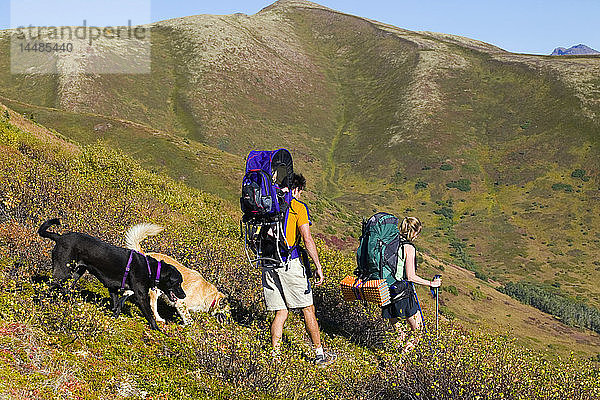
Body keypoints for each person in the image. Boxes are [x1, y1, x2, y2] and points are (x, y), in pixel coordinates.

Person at [261, 173, 336, 367]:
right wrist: (318, 266)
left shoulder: (269, 203)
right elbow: (307, 239)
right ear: (296, 189)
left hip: (268, 262)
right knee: (308, 308)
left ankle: (275, 357)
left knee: (281, 312)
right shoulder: (298, 208)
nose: (301, 195)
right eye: (300, 191)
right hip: (289, 263)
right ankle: (319, 355)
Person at [381, 216, 441, 351]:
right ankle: (401, 361)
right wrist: (431, 284)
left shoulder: (389, 242)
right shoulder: (408, 247)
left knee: (399, 334)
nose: (416, 236)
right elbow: (411, 276)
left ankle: (393, 362)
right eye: (417, 233)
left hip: (384, 290)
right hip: (400, 292)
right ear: (413, 232)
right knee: (418, 330)